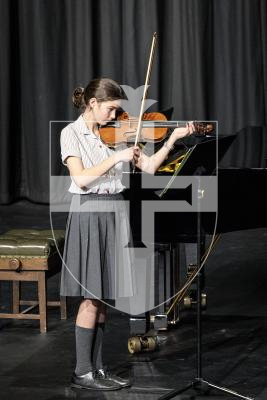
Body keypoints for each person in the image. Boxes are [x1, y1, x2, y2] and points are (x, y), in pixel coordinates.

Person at [60, 77, 194, 391]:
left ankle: (99, 368)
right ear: (92, 103)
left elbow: (148, 168)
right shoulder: (70, 133)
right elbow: (80, 179)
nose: (115, 116)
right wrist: (116, 157)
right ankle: (82, 372)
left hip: (116, 211)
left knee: (104, 297)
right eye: (111, 109)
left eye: (118, 110)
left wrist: (172, 140)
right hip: (89, 211)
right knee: (91, 298)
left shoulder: (118, 133)